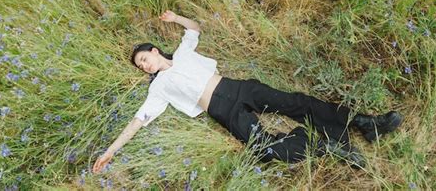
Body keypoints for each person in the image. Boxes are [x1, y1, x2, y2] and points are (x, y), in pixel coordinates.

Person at [93, 10, 403, 173]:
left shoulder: (182, 53)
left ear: (155, 51)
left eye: (144, 59)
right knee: (264, 150)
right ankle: (328, 146)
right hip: (223, 111)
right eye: (141, 66)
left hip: (237, 88)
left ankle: (365, 123)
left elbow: (195, 28)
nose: (144, 66)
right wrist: (110, 151)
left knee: (298, 103)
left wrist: (176, 19)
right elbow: (137, 121)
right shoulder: (158, 88)